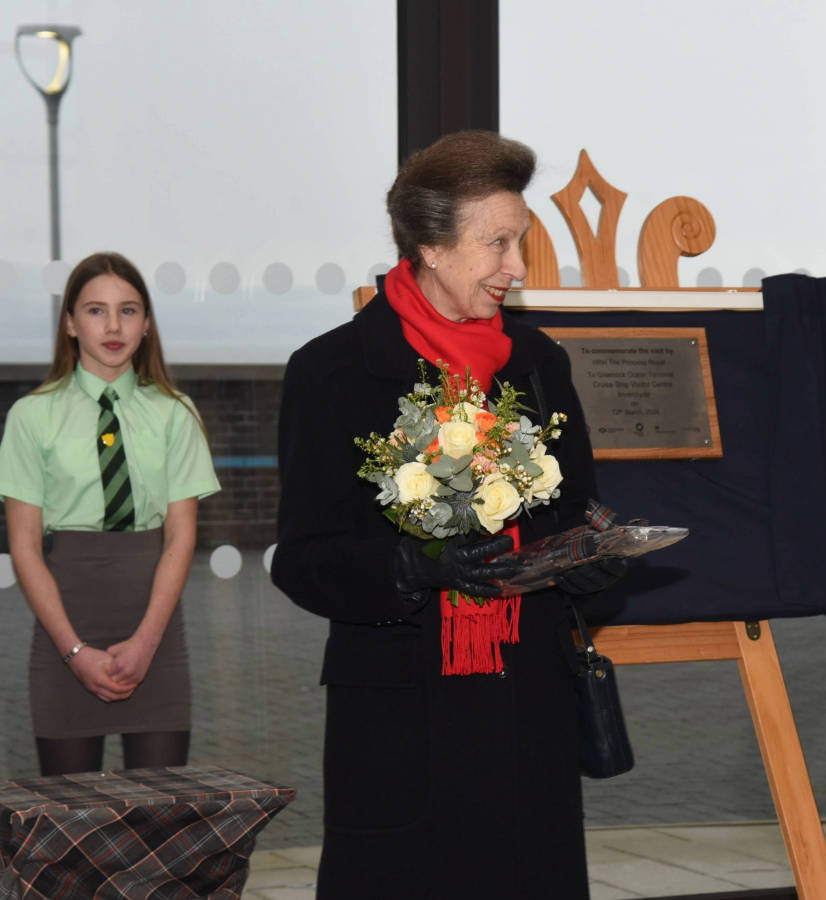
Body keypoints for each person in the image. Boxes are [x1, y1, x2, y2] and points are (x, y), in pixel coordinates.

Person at [272, 131, 627, 900]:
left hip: (525, 709)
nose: (517, 268)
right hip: (404, 720)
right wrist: (408, 567)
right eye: (496, 243)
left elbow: (573, 511)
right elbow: (302, 559)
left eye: (520, 241)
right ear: (431, 246)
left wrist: (592, 565)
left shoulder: (539, 365)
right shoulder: (331, 372)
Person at [0, 252, 220, 776]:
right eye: (96, 311)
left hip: (155, 630)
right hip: (63, 629)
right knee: (72, 830)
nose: (113, 326)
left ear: (147, 324)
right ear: (70, 323)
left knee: (159, 823)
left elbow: (180, 540)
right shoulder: (32, 415)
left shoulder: (176, 413)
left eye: (129, 311)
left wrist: (145, 643)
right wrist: (74, 651)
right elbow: (23, 549)